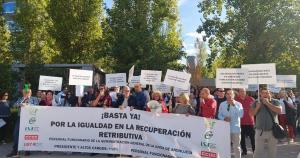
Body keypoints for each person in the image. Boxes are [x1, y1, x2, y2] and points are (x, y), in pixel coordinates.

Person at [7, 85, 39, 157]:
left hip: (30, 119)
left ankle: (27, 150)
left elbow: (37, 106)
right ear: (23, 93)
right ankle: (14, 151)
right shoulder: (20, 99)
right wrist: (21, 103)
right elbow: (14, 106)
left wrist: (28, 104)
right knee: (16, 134)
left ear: (30, 92)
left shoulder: (34, 99)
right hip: (20, 118)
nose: (26, 93)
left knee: (29, 134)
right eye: (25, 92)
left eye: (28, 92)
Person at [249, 88, 282, 158]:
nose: (265, 94)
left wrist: (267, 103)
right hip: (260, 130)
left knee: (272, 151)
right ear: (260, 94)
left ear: (270, 94)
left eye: (267, 93)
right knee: (258, 151)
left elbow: (279, 111)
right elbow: (251, 114)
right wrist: (257, 107)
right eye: (263, 93)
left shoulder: (275, 101)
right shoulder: (256, 102)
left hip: (273, 131)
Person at [218, 89, 243, 158]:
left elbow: (241, 115)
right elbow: (219, 115)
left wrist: (234, 105)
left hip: (235, 129)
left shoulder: (238, 104)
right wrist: (224, 118)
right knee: (225, 147)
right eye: (228, 94)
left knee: (237, 147)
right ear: (225, 95)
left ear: (234, 95)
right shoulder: (222, 104)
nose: (229, 95)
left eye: (231, 94)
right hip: (225, 129)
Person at [235, 88, 255, 155]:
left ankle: (254, 150)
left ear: (245, 92)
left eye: (243, 91)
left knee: (253, 138)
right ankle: (244, 151)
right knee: (242, 138)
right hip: (240, 122)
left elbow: (255, 109)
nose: (242, 93)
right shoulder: (236, 100)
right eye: (241, 91)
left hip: (250, 122)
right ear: (239, 92)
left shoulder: (251, 99)